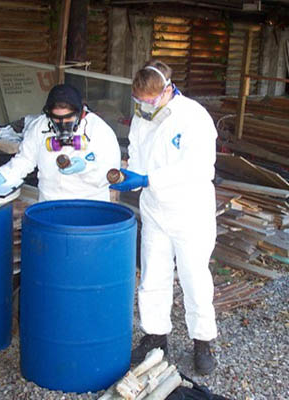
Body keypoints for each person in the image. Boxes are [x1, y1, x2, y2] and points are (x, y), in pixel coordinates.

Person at [110, 60, 218, 375]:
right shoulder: (143, 118)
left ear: (168, 90)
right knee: (152, 276)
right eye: (140, 101)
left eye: (151, 100)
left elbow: (198, 169)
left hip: (190, 210)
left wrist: (147, 179)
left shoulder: (194, 117)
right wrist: (130, 173)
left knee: (194, 277)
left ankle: (202, 343)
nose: (145, 106)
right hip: (155, 208)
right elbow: (137, 153)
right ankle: (156, 337)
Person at [0, 84, 122, 202]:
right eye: (57, 120)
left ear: (80, 113)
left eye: (68, 120)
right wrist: (5, 175)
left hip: (88, 205)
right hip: (50, 204)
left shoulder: (99, 130)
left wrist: (85, 168)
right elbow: (25, 159)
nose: (62, 125)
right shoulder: (40, 127)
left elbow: (110, 173)